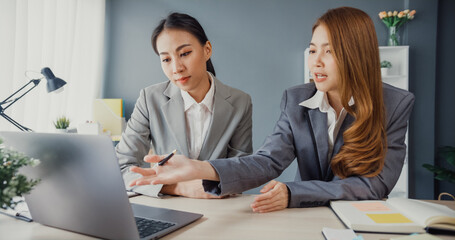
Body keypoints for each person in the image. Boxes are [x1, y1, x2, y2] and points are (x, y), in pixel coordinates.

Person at [129, 7, 415, 212]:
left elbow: (374, 186)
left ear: (356, 54)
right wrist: (199, 167)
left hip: (362, 220)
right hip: (307, 215)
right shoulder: (296, 100)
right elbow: (266, 163)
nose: (315, 62)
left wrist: (292, 192)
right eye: (312, 49)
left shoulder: (395, 104)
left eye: (328, 51)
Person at [116, 12, 253, 199]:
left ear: (207, 50)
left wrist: (210, 186)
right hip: (168, 207)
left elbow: (242, 172)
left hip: (219, 206)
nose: (176, 68)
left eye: (185, 53)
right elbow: (120, 167)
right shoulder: (150, 99)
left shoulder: (240, 102)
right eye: (166, 59)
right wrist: (177, 187)